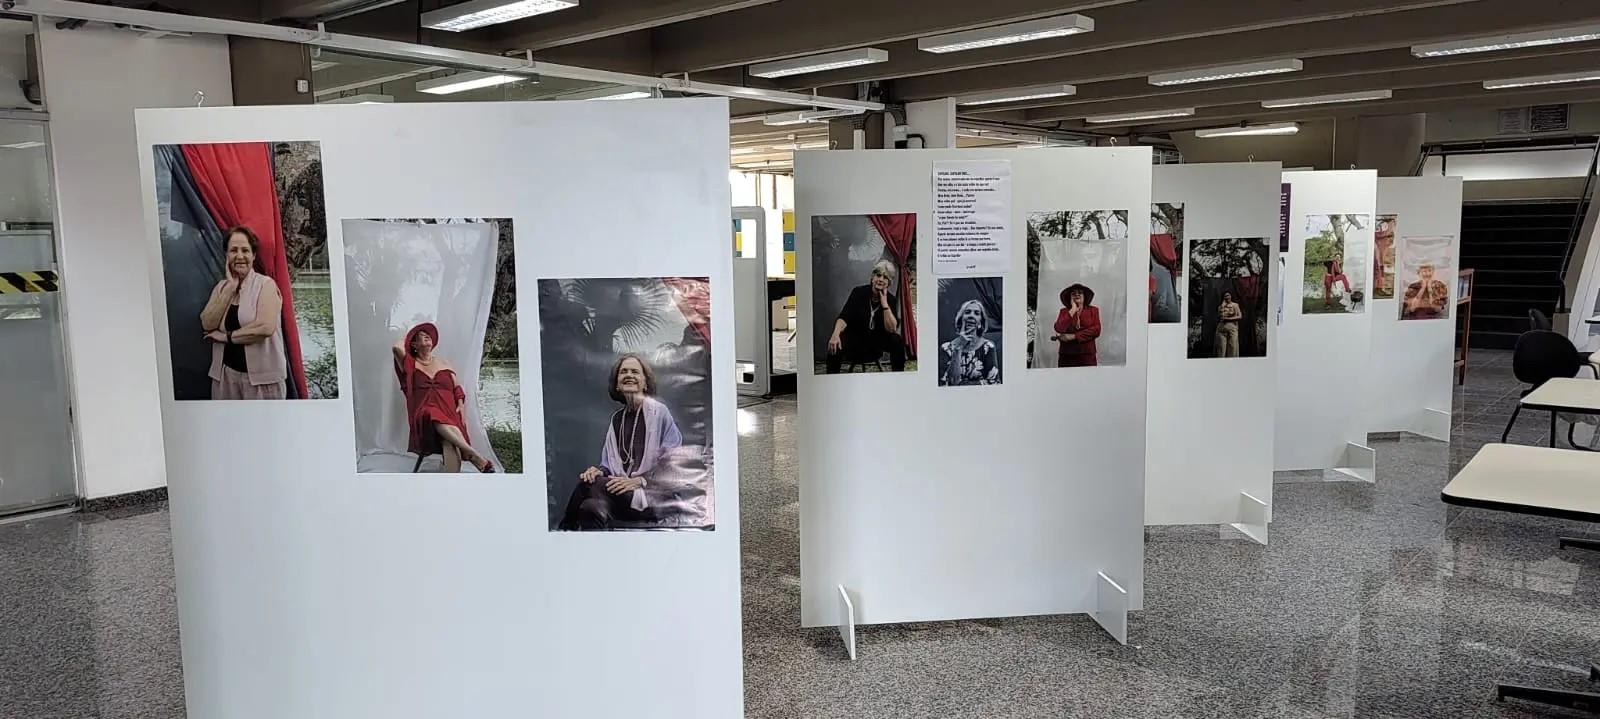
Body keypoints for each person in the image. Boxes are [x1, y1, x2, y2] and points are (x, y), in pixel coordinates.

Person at [570, 353, 684, 529]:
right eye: (623, 372)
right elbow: (608, 465)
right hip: (620, 495)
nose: (629, 375)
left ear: (645, 383)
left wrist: (640, 481)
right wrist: (598, 471)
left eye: (635, 372)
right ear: (617, 384)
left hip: (653, 496)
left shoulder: (659, 412)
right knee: (590, 507)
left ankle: (562, 529)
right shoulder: (616, 419)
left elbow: (673, 463)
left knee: (586, 486)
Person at [393, 322, 494, 473]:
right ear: (413, 344)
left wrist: (460, 404)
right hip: (424, 417)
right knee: (431, 413)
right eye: (421, 335)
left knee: (450, 443)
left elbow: (456, 386)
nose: (427, 336)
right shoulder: (409, 365)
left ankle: (451, 483)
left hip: (449, 412)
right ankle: (473, 454)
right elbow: (396, 347)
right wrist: (409, 336)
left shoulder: (444, 362)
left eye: (429, 335)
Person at [200, 226, 288, 400]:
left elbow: (264, 328)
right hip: (225, 379)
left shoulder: (266, 285)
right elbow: (207, 323)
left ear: (253, 256)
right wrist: (230, 288)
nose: (239, 256)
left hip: (263, 384)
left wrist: (227, 337)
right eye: (233, 250)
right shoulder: (222, 287)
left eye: (245, 250)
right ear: (226, 255)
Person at [825, 260, 906, 373]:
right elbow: (844, 317)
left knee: (897, 341)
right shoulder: (858, 292)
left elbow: (892, 328)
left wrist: (885, 305)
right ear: (872, 277)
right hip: (856, 340)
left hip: (876, 343)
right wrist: (835, 334)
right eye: (878, 275)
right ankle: (831, 381)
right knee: (835, 342)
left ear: (889, 283)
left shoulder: (890, 300)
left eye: (885, 277)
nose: (881, 279)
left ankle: (898, 379)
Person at [940, 299, 998, 386]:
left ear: (981, 322)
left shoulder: (988, 347)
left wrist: (962, 384)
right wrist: (958, 348)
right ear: (961, 318)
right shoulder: (946, 348)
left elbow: (993, 383)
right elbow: (949, 383)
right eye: (967, 312)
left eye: (977, 313)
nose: (971, 315)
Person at [1051, 283, 1101, 367]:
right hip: (1066, 356)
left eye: (1080, 292)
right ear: (1070, 297)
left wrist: (1073, 336)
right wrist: (1072, 310)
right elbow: (1059, 328)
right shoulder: (1064, 311)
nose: (1077, 294)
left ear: (1084, 296)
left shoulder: (1094, 310)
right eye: (1073, 293)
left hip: (1087, 356)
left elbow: (1096, 330)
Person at [1214, 291, 1243, 358]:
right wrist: (1222, 306)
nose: (1227, 297)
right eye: (1225, 296)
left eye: (1228, 295)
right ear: (1223, 297)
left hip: (1232, 328)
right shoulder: (1220, 307)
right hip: (1221, 329)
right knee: (1221, 349)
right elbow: (1221, 317)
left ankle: (1231, 365)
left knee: (1232, 348)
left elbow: (1240, 316)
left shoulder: (1235, 305)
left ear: (1231, 296)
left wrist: (1228, 319)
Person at [1374, 219, 1396, 298]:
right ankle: (1381, 288)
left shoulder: (1390, 226)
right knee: (1381, 270)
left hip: (1385, 255)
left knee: (1385, 271)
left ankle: (1385, 288)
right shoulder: (1381, 230)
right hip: (1381, 255)